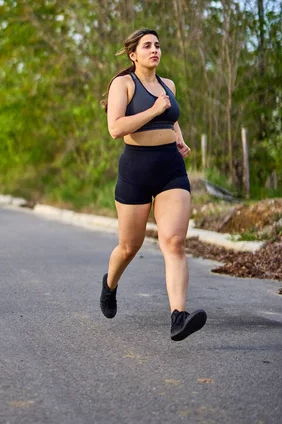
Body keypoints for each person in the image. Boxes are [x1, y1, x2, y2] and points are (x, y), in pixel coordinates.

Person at [100, 28, 207, 341]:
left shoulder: (168, 85)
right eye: (147, 46)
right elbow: (115, 128)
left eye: (158, 45)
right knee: (129, 246)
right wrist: (154, 110)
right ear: (133, 54)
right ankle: (110, 285)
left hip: (170, 170)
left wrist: (180, 139)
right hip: (136, 171)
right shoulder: (124, 84)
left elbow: (171, 116)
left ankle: (178, 316)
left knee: (173, 242)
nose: (154, 50)